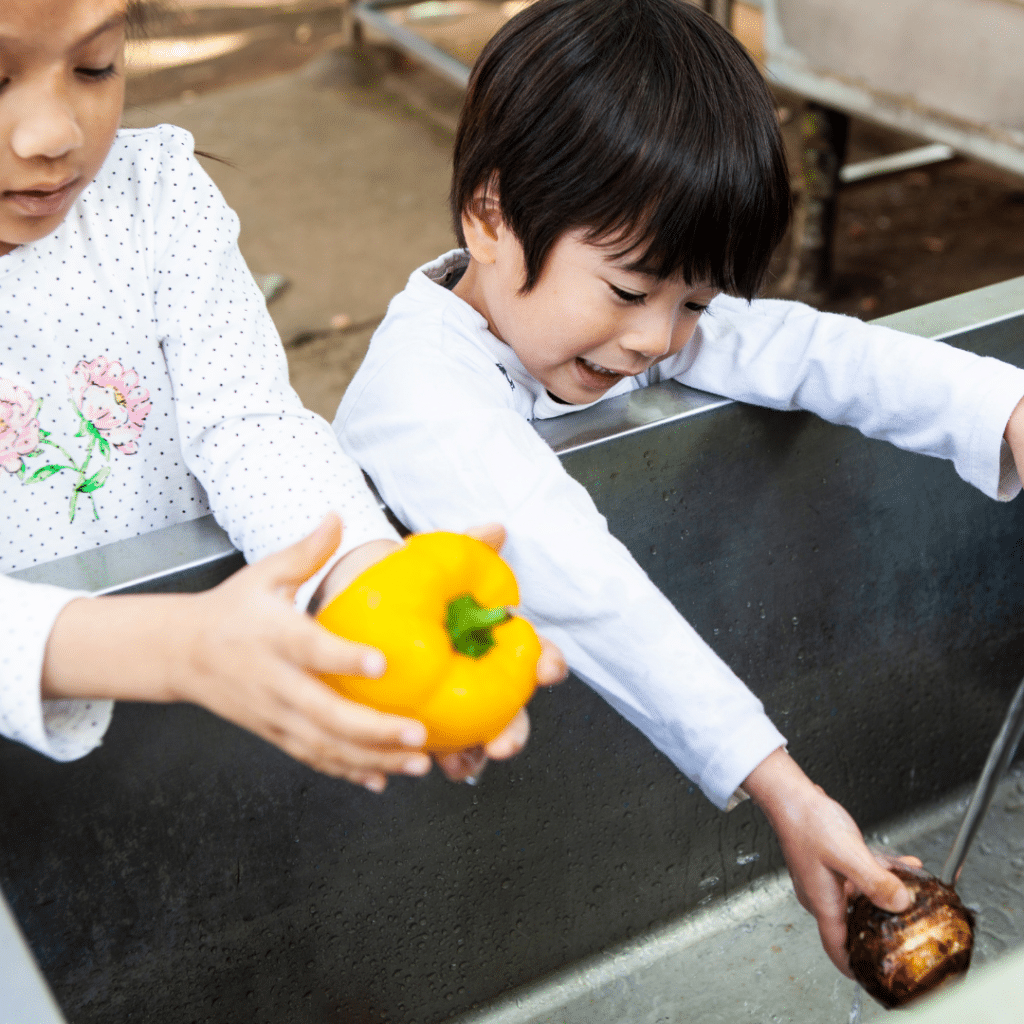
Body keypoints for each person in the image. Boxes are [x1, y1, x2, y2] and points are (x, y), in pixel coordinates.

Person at [333, 0, 1024, 975]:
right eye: (629, 292)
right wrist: (781, 784)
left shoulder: (616, 325)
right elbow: (576, 572)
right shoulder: (418, 395)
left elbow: (802, 347)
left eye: (691, 301)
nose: (657, 339)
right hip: (418, 853)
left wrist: (1007, 413)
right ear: (489, 216)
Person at [0, 0, 564, 792]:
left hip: (200, 697)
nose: (51, 132)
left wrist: (374, 597)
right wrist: (176, 647)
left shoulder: (151, 196)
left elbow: (249, 424)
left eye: (94, 65)